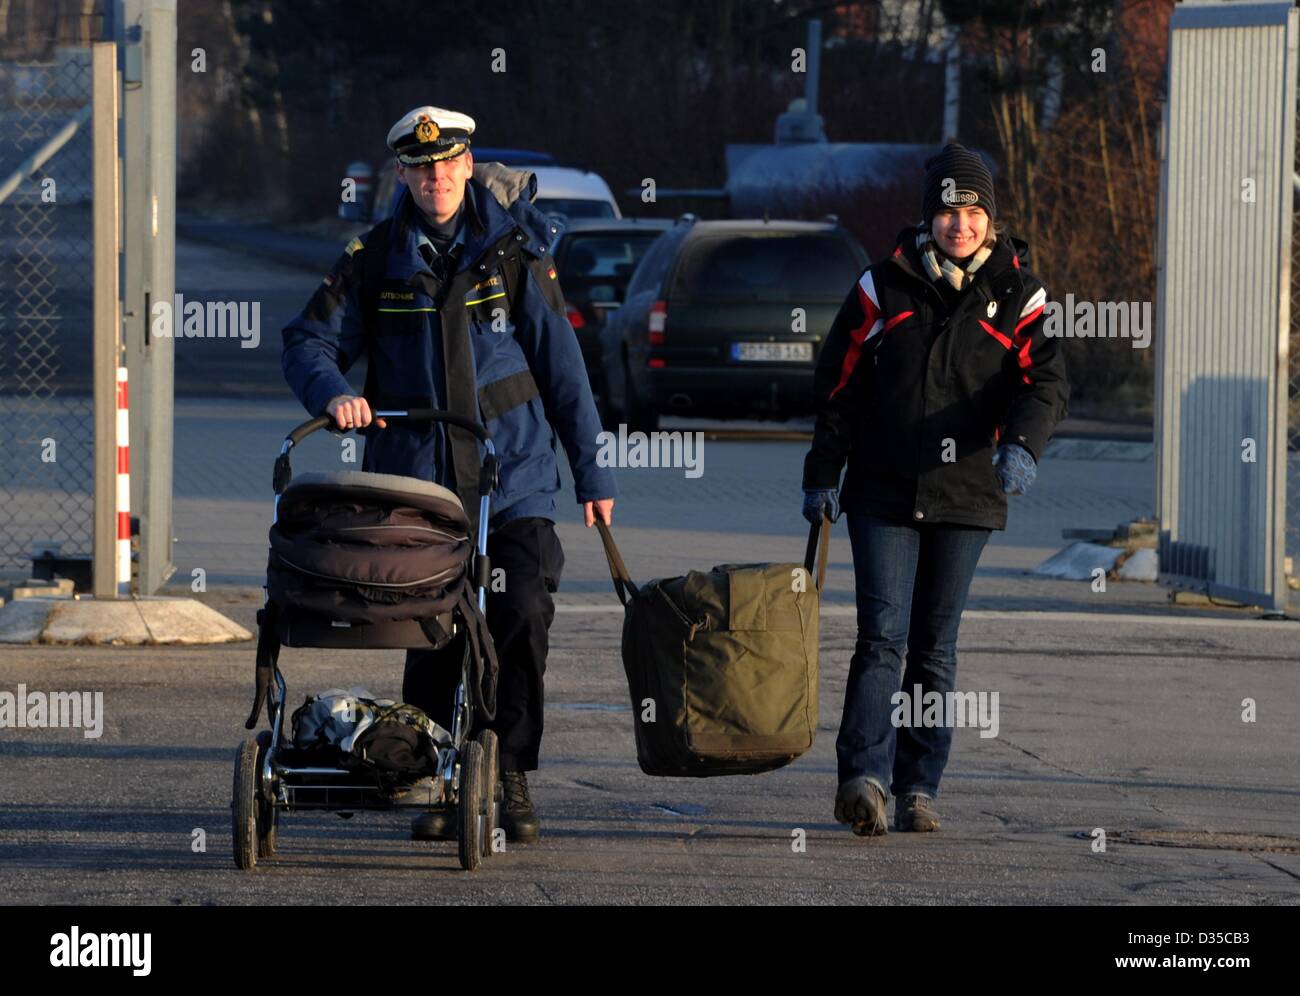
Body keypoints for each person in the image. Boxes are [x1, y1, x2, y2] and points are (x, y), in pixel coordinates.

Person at [281, 106, 617, 843]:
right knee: (431, 629)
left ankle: (510, 771)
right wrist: (335, 393)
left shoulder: (514, 252)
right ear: (403, 174)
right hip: (419, 488)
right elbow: (308, 338)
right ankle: (436, 776)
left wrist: (593, 474)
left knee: (520, 615)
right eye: (420, 168)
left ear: (468, 167)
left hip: (514, 476)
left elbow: (565, 371)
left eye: (447, 166)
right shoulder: (373, 256)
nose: (435, 179)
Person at [801, 143, 1068, 837]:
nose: (961, 223)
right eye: (949, 210)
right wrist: (822, 474)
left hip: (968, 494)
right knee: (881, 638)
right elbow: (839, 385)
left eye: (973, 210)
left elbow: (1047, 382)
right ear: (929, 217)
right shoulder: (881, 285)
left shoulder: (1020, 293)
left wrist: (1023, 446)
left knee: (935, 649)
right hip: (882, 489)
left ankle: (918, 787)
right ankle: (862, 778)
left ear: (990, 217)